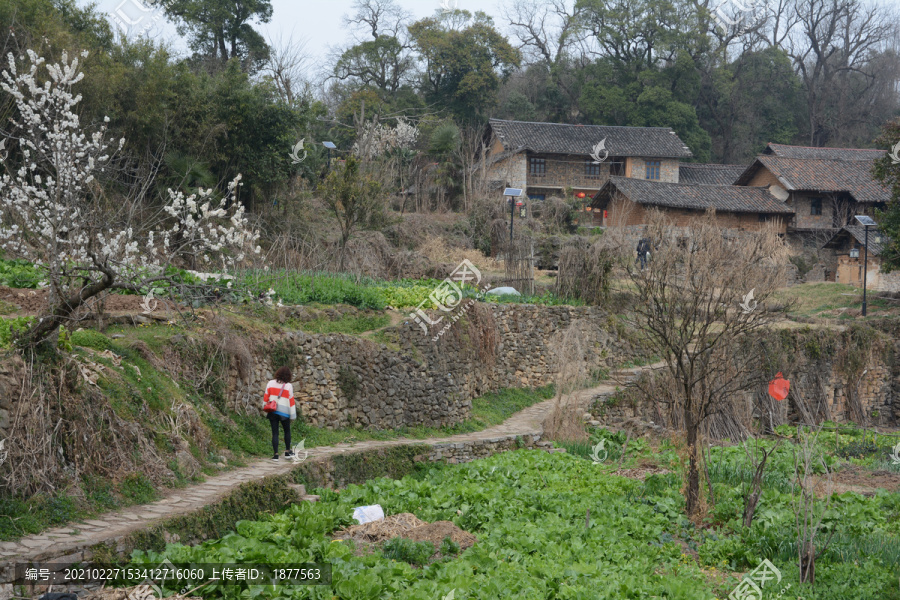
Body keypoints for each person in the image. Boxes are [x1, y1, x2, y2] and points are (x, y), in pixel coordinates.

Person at [263, 366, 297, 461]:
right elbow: (291, 401)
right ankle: (287, 452)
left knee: (275, 433)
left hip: (273, 411)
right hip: (285, 413)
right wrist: (293, 415)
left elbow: (266, 397)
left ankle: (276, 455)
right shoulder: (288, 386)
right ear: (288, 376)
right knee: (287, 431)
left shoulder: (270, 383)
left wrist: (264, 406)